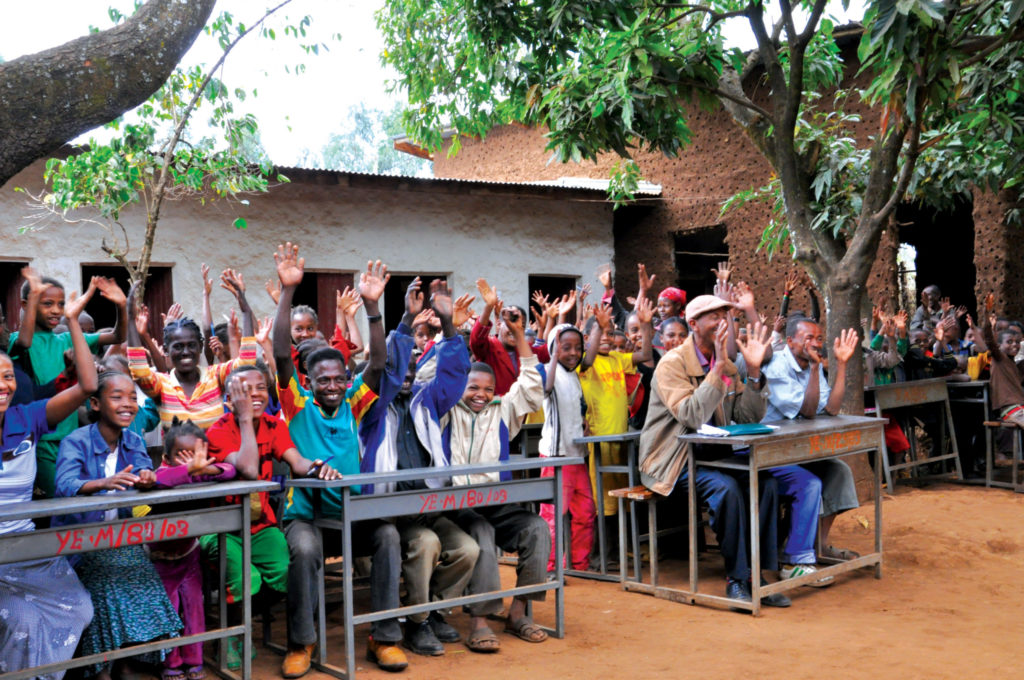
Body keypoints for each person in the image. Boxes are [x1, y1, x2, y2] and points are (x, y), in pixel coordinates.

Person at [271, 246, 407, 675]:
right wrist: (287, 293)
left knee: (387, 536)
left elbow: (379, 362)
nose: (331, 385)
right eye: (322, 379)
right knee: (306, 550)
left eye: (338, 378)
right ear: (308, 381)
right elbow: (278, 354)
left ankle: (383, 638)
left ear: (347, 380)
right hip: (306, 515)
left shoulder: (353, 403)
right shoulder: (296, 402)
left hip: (348, 512)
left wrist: (372, 307)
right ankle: (302, 643)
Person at [638, 294, 789, 607]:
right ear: (693, 325)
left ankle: (754, 573)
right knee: (728, 489)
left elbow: (748, 417)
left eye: (726, 315)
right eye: (714, 316)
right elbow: (691, 415)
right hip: (671, 462)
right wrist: (717, 367)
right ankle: (737, 578)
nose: (723, 321)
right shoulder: (672, 364)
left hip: (711, 456)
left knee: (768, 483)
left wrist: (754, 370)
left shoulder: (730, 366)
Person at [358, 277, 477, 658]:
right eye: (400, 368)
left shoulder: (426, 403)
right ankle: (418, 622)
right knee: (426, 545)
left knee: (467, 549)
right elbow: (386, 374)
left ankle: (432, 610)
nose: (406, 374)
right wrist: (406, 322)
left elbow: (455, 375)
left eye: (412, 367)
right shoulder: (372, 409)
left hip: (426, 507)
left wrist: (448, 324)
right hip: (389, 511)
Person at [200, 362, 341, 669]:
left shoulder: (275, 426)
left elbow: (298, 462)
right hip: (222, 527)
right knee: (244, 579)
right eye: (243, 390)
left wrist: (318, 467)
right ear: (229, 399)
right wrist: (245, 420)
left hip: (259, 525)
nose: (255, 394)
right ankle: (231, 636)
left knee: (285, 575)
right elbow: (249, 469)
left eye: (261, 387)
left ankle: (238, 623)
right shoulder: (218, 430)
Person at [54, 370, 182, 680]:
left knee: (141, 575)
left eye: (132, 398)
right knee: (105, 578)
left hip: (122, 539)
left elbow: (142, 472)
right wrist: (101, 483)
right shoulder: (76, 441)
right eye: (117, 397)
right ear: (95, 404)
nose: (128, 404)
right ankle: (100, 668)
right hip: (80, 544)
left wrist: (148, 478)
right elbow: (64, 483)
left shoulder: (133, 440)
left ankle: (126, 661)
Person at [0, 286, 97, 678]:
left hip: (28, 546)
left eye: (7, 376)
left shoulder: (26, 419)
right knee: (22, 621)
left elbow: (88, 387)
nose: (4, 385)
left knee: (81, 609)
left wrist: (73, 322)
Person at [445, 305, 549, 652]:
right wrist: (452, 331)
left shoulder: (502, 410)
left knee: (537, 528)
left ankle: (519, 612)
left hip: (495, 500)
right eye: (472, 387)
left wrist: (520, 335)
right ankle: (479, 619)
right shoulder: (446, 413)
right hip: (458, 504)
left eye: (488, 389)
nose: (480, 395)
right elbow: (438, 376)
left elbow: (532, 386)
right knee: (483, 533)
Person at [8, 269, 126, 497]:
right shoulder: (19, 339)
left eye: (60, 304)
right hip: (42, 442)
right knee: (63, 497)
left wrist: (121, 306)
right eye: (46, 303)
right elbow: (24, 341)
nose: (55, 310)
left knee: (80, 501)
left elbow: (117, 337)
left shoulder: (68, 338)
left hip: (72, 439)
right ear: (26, 304)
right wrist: (33, 297)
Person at [761, 316, 863, 575]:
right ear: (790, 341)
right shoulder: (777, 367)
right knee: (810, 483)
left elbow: (831, 408)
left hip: (798, 450)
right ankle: (795, 559)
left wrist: (840, 364)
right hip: (769, 452)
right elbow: (807, 411)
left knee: (839, 472)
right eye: (808, 338)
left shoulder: (809, 366)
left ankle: (819, 544)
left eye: (819, 338)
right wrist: (817, 370)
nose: (815, 344)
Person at [151, 419, 237, 680]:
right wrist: (188, 469)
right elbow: (159, 479)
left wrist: (205, 469)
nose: (190, 462)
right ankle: (171, 662)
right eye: (181, 456)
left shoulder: (201, 471)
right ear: (167, 457)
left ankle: (193, 659)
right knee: (169, 610)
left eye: (195, 455)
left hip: (190, 554)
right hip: (161, 559)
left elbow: (229, 470)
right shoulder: (162, 473)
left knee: (194, 608)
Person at [127, 278, 257, 431]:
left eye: (191, 345)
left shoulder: (215, 376)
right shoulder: (162, 384)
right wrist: (130, 319)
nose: (186, 352)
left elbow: (246, 364)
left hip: (217, 455)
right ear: (167, 351)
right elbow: (140, 373)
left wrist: (246, 311)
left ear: (201, 347)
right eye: (178, 347)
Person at [579, 299, 652, 558]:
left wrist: (645, 325)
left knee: (621, 498)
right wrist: (598, 326)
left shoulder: (618, 360)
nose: (607, 338)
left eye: (611, 332)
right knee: (601, 502)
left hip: (620, 442)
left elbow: (644, 355)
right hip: (598, 443)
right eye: (601, 333)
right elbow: (587, 359)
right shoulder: (584, 364)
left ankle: (619, 553)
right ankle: (599, 555)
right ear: (587, 337)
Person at [538, 322, 600, 575]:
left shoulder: (574, 374)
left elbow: (589, 358)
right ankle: (551, 567)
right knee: (553, 515)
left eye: (578, 348)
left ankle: (578, 565)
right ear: (554, 349)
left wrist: (598, 329)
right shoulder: (547, 371)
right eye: (566, 348)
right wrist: (552, 356)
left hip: (577, 457)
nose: (574, 353)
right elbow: (547, 387)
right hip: (555, 457)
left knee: (585, 512)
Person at [471, 277, 549, 396]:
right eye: (510, 323)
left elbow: (552, 351)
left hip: (524, 413)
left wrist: (553, 318)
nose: (515, 328)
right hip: (496, 411)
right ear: (499, 323)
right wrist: (489, 307)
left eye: (521, 325)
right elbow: (476, 340)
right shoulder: (488, 348)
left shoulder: (527, 350)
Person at [979, 293, 1024, 468]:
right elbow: (989, 338)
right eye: (1009, 342)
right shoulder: (999, 358)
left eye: (1017, 342)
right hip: (1010, 409)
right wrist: (986, 313)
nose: (1014, 344)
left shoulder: (1016, 364)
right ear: (1000, 346)